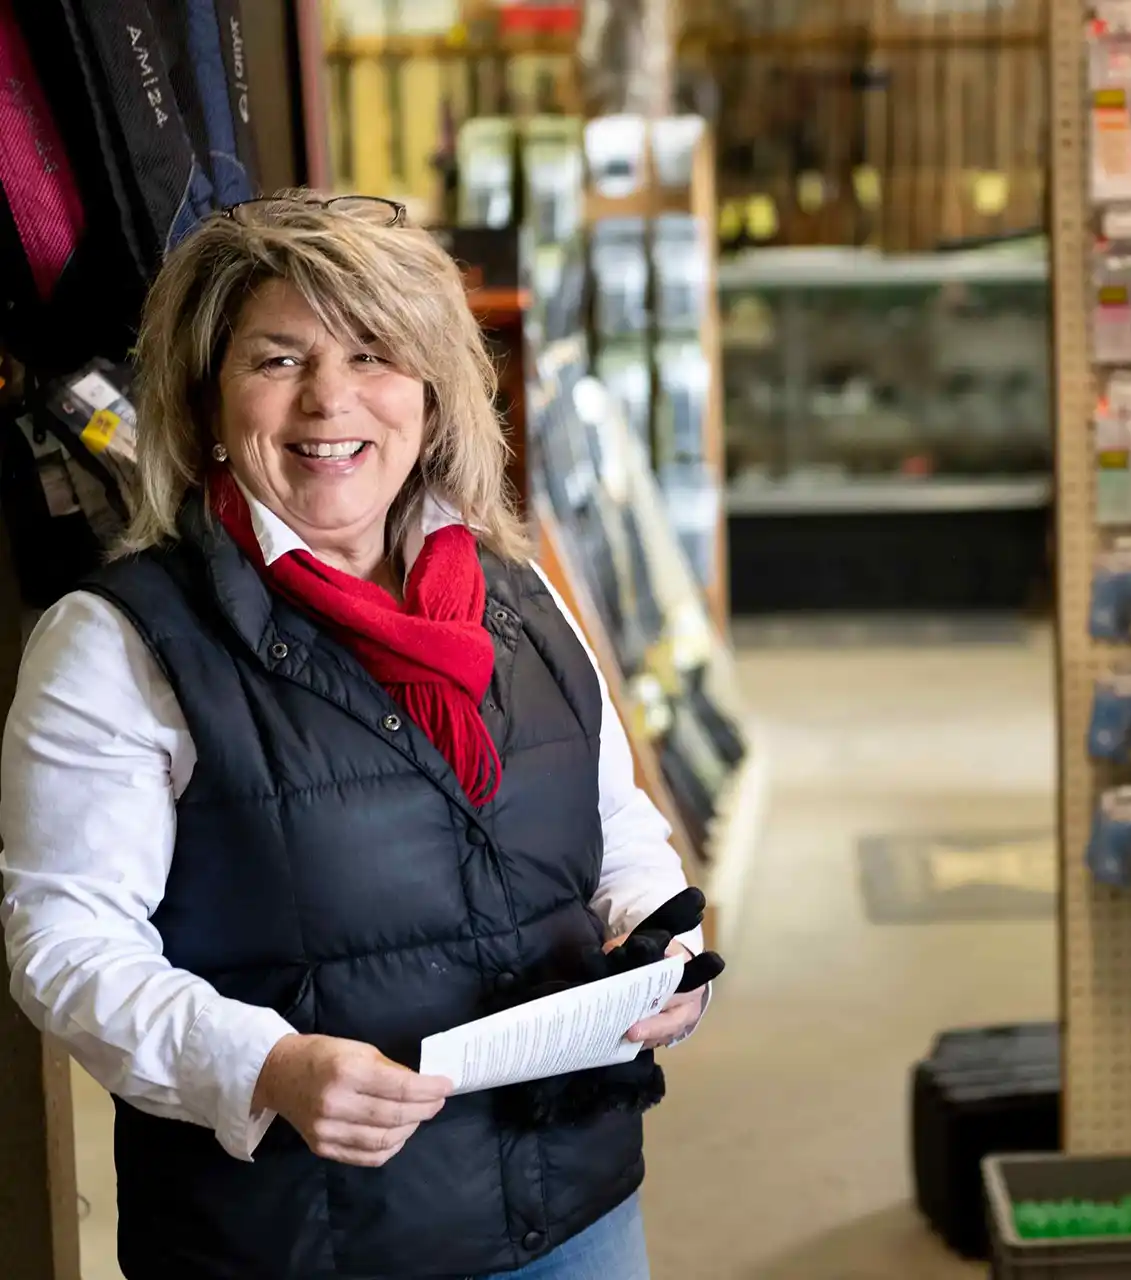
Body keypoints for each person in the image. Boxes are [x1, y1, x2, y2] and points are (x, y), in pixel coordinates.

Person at [0, 194, 710, 1280]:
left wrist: (661, 946)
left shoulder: (516, 595)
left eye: (373, 351)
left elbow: (614, 829)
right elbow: (66, 944)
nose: (330, 398)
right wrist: (268, 1063)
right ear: (208, 398)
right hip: (301, 1240)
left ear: (431, 392)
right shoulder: (118, 642)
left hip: (575, 1208)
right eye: (278, 358)